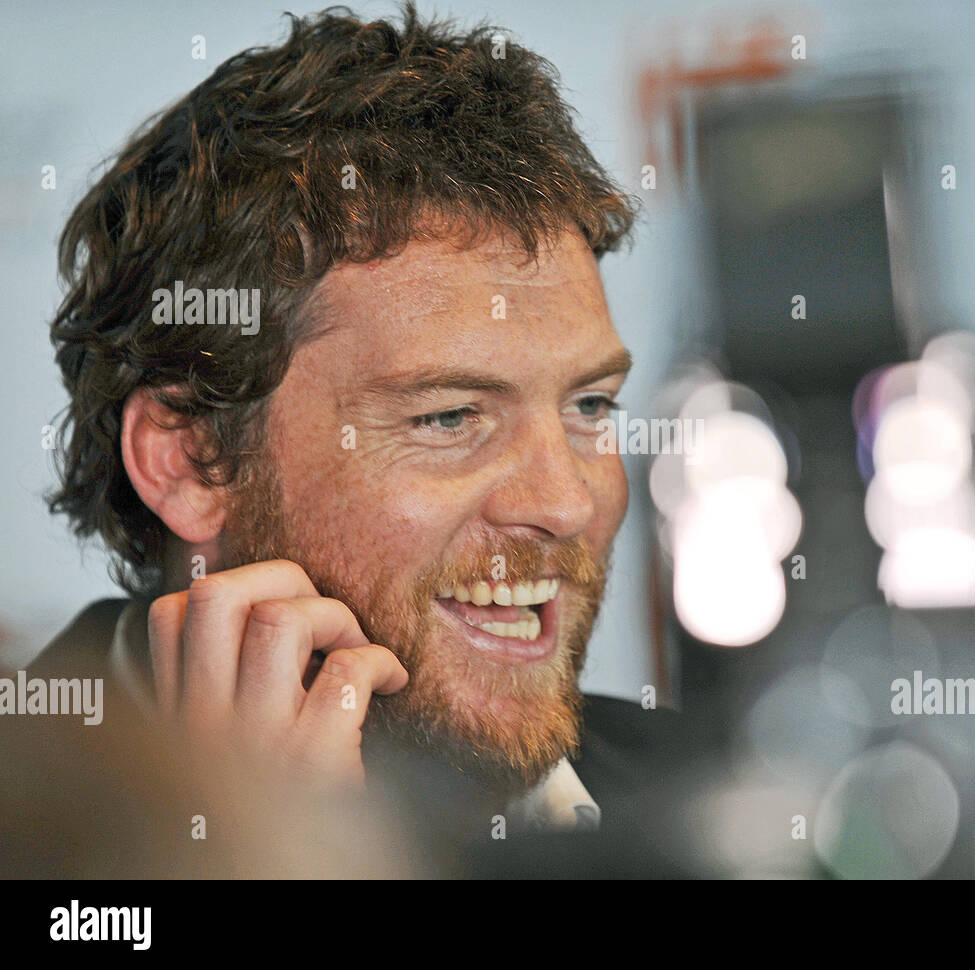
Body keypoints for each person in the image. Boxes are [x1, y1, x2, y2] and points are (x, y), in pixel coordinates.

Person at [33, 2, 686, 874]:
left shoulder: (703, 800)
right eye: (450, 417)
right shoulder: (35, 827)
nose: (567, 502)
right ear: (189, 459)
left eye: (591, 406)